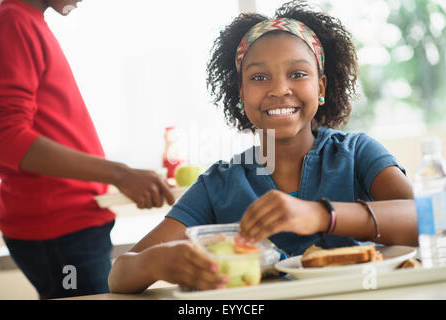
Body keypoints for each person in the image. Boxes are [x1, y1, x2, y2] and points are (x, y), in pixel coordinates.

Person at [108, 0, 418, 293]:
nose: (279, 88)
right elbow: (119, 275)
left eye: (297, 74)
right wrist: (155, 262)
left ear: (321, 87)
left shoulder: (358, 154)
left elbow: (425, 220)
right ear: (240, 94)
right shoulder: (220, 184)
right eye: (259, 77)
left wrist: (322, 215)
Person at [0, 0, 175, 299]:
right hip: (58, 230)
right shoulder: (13, 21)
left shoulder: (26, 20)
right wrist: (120, 174)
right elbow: (5, 136)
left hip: (70, 225)